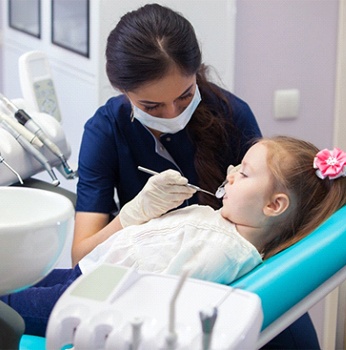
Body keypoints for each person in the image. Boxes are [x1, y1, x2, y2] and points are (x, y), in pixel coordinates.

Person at [2, 136, 346, 344]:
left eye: (243, 173)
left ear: (274, 206)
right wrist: (141, 211)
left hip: (96, 299)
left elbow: (155, 296)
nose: (230, 173)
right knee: (11, 281)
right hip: (92, 276)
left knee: (8, 310)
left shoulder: (224, 251)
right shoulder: (221, 221)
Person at [72, 3, 261, 266]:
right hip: (149, 275)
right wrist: (132, 215)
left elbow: (269, 219)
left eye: (185, 96)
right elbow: (80, 258)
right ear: (121, 89)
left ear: (195, 72)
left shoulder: (233, 115)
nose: (172, 114)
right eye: (151, 106)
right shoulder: (105, 130)